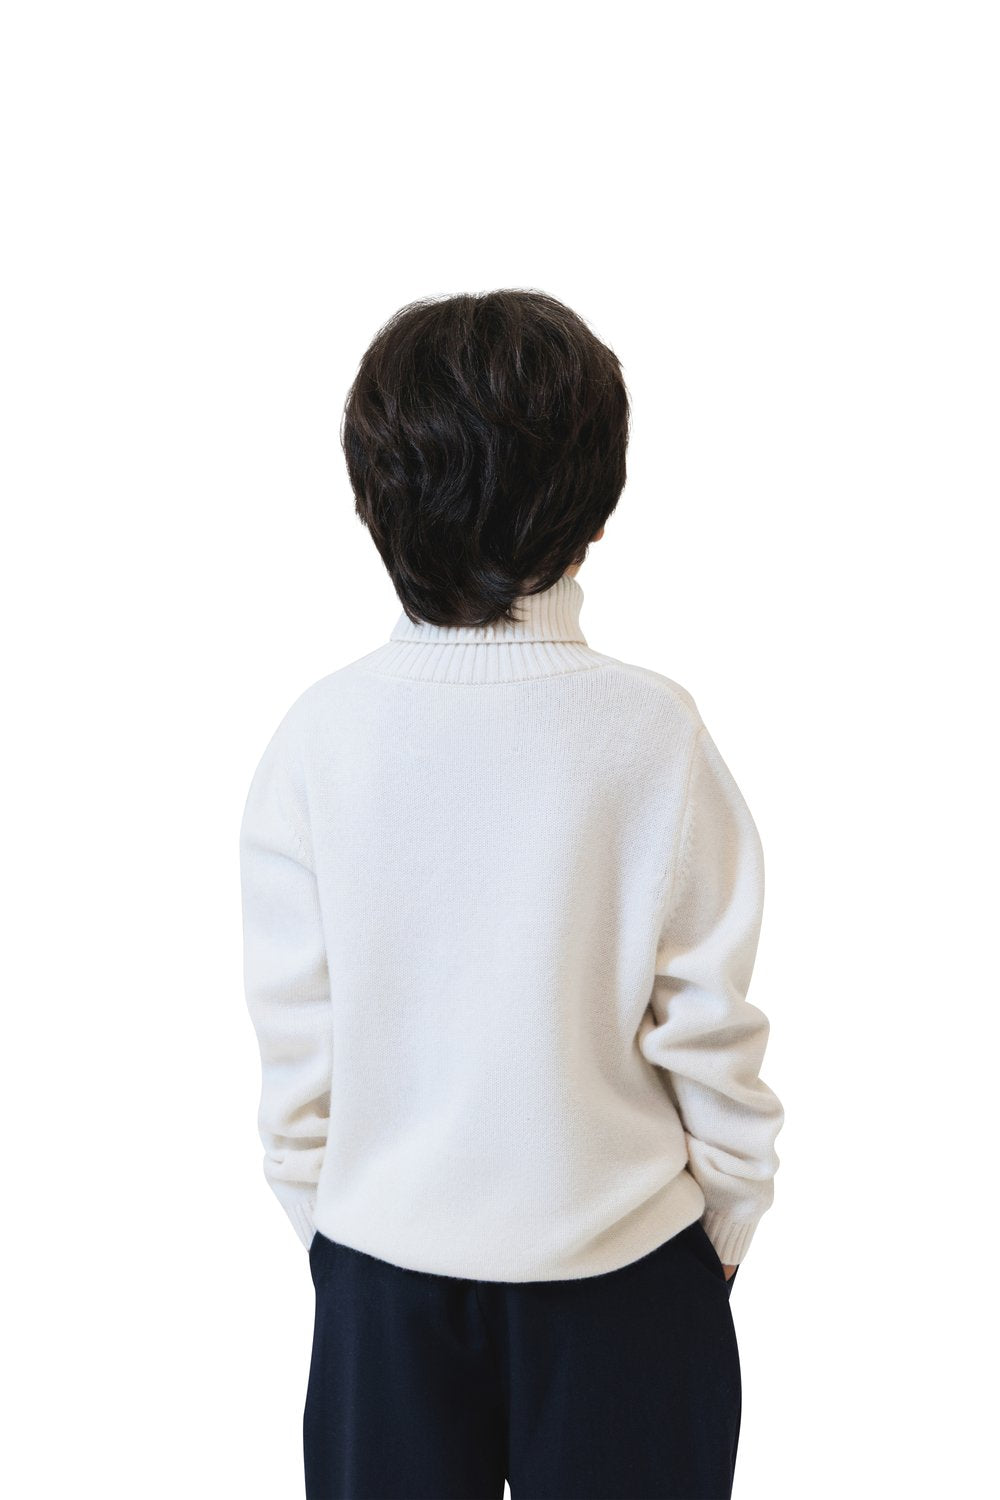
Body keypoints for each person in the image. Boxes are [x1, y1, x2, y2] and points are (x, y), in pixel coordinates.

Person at [239, 288, 785, 1500]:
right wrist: (723, 1228)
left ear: (372, 494)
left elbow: (296, 1046)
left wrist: (346, 1235)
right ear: (595, 507)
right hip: (628, 1275)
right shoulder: (650, 731)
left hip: (381, 1279)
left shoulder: (320, 736)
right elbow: (707, 1020)